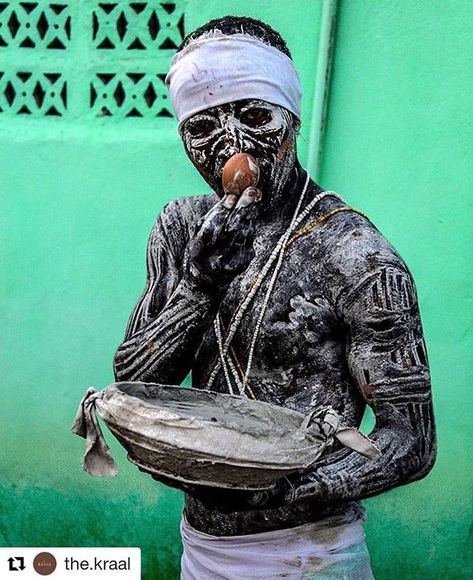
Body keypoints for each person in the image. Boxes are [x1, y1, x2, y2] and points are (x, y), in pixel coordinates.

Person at [113, 16, 436, 579]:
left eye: (256, 117)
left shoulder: (354, 255)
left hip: (311, 553)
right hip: (201, 547)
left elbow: (411, 440)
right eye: (203, 128)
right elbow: (136, 383)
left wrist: (280, 486)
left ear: (292, 117)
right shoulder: (182, 226)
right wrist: (200, 284)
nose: (232, 146)